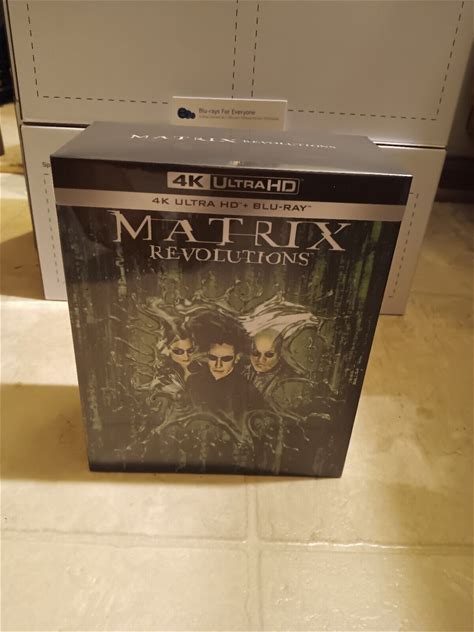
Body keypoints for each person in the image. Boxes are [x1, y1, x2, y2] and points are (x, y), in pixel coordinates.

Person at [187, 319, 265, 422]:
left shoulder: (248, 390)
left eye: (226, 359)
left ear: (237, 358)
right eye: (213, 358)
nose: (218, 365)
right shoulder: (193, 381)